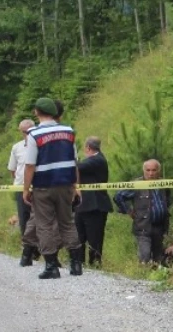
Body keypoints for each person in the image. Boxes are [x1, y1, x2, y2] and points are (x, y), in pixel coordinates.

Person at [22, 97, 83, 279]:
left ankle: (51, 266)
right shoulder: (68, 131)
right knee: (67, 222)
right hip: (65, 184)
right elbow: (74, 161)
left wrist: (26, 189)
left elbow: (30, 165)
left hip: (43, 185)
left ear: (37, 112)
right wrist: (76, 186)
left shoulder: (34, 134)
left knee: (45, 224)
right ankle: (76, 264)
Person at [114, 159, 170, 265]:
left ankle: (155, 278)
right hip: (143, 226)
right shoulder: (137, 184)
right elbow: (118, 196)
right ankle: (142, 277)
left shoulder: (164, 183)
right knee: (145, 255)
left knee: (159, 257)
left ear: (159, 171)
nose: (151, 173)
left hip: (160, 226)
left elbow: (167, 200)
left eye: (154, 170)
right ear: (143, 170)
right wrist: (128, 210)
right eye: (148, 170)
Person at [74, 136, 112, 267]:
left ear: (88, 148)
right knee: (79, 236)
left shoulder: (98, 160)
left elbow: (77, 167)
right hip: (82, 205)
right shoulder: (93, 160)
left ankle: (95, 263)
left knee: (94, 238)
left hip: (95, 206)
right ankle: (78, 262)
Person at [8, 120, 34, 237]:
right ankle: (27, 248)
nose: (27, 134)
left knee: (39, 219)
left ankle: (40, 248)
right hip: (21, 186)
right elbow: (12, 169)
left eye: (29, 131)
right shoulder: (16, 147)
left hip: (38, 187)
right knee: (24, 218)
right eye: (24, 132)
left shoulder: (41, 145)